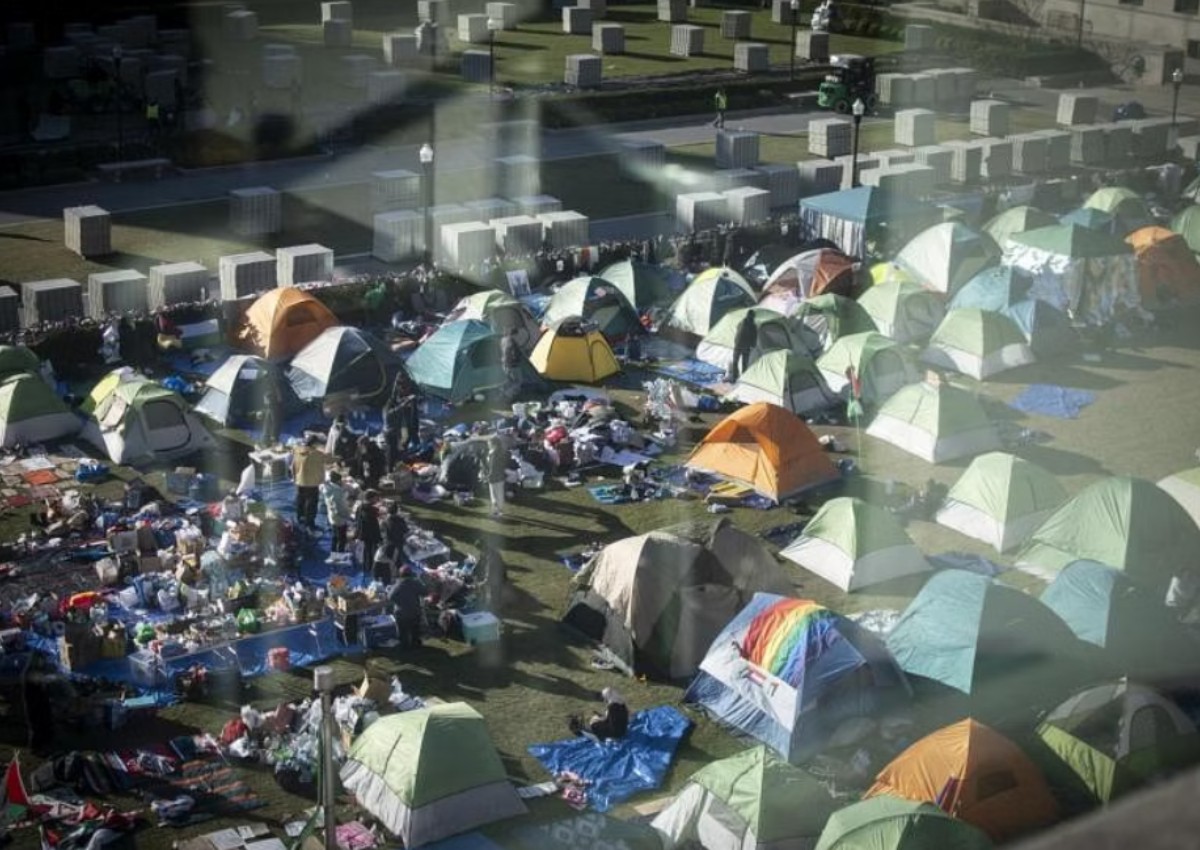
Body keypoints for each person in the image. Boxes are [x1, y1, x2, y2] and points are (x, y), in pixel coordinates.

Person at [292, 435, 326, 531]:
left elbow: (293, 465)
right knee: (311, 503)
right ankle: (310, 523)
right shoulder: (316, 454)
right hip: (311, 482)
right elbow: (320, 469)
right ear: (314, 444)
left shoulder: (298, 451)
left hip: (300, 481)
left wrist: (294, 478)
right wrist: (321, 480)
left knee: (301, 499)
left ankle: (300, 518)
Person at [388, 566, 424, 649]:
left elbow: (390, 596)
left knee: (403, 631)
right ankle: (416, 644)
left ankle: (404, 645)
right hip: (415, 611)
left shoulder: (397, 584)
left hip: (401, 613)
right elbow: (425, 592)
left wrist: (398, 602)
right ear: (411, 574)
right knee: (415, 629)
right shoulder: (416, 583)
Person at [320, 471, 351, 558]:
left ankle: (333, 554)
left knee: (335, 537)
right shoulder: (337, 491)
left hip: (332, 516)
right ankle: (339, 556)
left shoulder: (327, 488)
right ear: (338, 481)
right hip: (339, 518)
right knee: (341, 539)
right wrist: (348, 515)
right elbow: (339, 507)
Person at [354, 489, 383, 581]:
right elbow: (373, 522)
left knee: (367, 550)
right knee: (370, 551)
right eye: (375, 498)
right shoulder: (370, 509)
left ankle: (367, 566)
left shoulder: (360, 507)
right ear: (372, 498)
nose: (377, 499)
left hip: (363, 533)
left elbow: (357, 518)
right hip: (370, 534)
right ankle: (370, 568)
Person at [730, 310, 757, 381]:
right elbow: (754, 337)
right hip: (745, 347)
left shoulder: (741, 322)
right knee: (744, 363)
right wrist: (753, 345)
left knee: (735, 362)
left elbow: (737, 330)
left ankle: (735, 376)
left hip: (738, 345)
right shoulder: (753, 326)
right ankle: (742, 377)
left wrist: (736, 341)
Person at [486, 436, 508, 518]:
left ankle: (496, 511)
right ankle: (499, 510)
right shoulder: (500, 452)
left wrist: (489, 475)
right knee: (500, 494)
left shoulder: (493, 453)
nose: (488, 444)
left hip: (494, 477)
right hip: (500, 476)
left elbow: (492, 466)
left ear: (493, 444)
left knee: (494, 495)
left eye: (489, 442)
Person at [500, 327, 522, 395]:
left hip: (504, 364)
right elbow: (514, 353)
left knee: (510, 381)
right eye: (517, 335)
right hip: (512, 365)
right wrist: (518, 359)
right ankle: (507, 394)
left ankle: (502, 390)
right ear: (514, 334)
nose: (518, 337)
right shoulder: (512, 341)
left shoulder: (503, 340)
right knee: (518, 381)